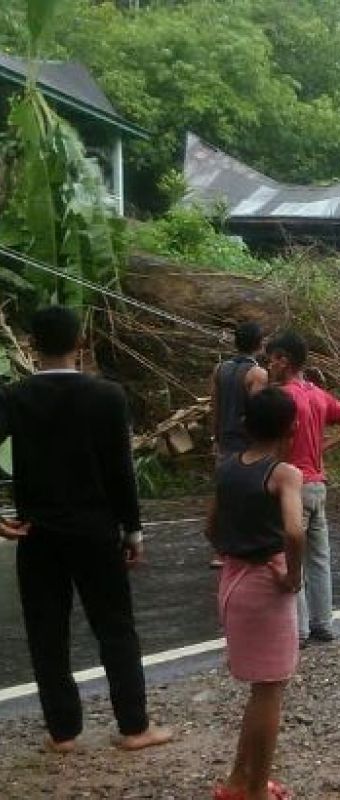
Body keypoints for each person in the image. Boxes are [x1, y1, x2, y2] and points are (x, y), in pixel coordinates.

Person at [0, 306, 172, 753]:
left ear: (33, 347)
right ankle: (134, 726)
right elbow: (121, 471)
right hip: (96, 531)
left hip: (36, 534)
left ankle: (63, 733)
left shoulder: (15, 397)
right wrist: (133, 531)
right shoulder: (108, 397)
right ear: (80, 343)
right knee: (115, 627)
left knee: (46, 631)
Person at [207, 388, 304, 800]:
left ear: (245, 425)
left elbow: (209, 526)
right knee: (270, 690)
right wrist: (293, 576)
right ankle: (256, 792)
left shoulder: (227, 467)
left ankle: (238, 781)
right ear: (292, 427)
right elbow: (295, 530)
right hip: (266, 583)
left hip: (232, 578)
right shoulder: (284, 474)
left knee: (261, 688)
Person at [266, 331, 340, 645]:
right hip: (318, 485)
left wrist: (274, 472)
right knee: (319, 558)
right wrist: (323, 448)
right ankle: (323, 623)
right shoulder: (317, 394)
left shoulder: (284, 397)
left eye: (274, 358)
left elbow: (283, 440)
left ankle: (300, 631)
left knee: (293, 555)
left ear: (286, 360)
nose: (270, 364)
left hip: (295, 485)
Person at [208, 321, 269, 569]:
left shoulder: (219, 369)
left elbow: (214, 407)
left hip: (224, 440)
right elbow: (257, 412)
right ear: (259, 344)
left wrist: (215, 437)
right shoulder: (257, 374)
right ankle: (247, 546)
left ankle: (220, 551)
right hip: (246, 443)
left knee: (224, 494)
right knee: (250, 494)